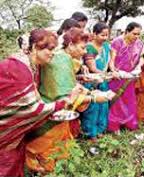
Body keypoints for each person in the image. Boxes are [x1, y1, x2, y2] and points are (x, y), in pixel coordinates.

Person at [25, 28, 109, 173]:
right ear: (70, 45)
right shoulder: (60, 60)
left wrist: (82, 83)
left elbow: (67, 84)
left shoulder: (63, 58)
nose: (84, 52)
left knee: (58, 148)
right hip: (50, 113)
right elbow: (63, 96)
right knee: (49, 152)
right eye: (82, 48)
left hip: (51, 109)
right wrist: (94, 97)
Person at [0, 29, 70, 177]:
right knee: (6, 163)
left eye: (54, 50)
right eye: (48, 49)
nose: (52, 53)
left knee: (15, 157)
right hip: (4, 129)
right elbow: (30, 110)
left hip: (12, 137)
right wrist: (58, 105)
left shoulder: (31, 65)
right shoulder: (19, 69)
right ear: (33, 48)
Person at [108, 22, 144, 133]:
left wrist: (138, 67)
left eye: (138, 34)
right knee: (117, 102)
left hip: (130, 77)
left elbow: (142, 58)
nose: (136, 37)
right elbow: (111, 60)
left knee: (129, 101)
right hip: (118, 77)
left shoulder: (139, 44)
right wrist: (114, 71)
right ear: (127, 31)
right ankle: (115, 125)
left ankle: (129, 123)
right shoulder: (117, 42)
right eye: (134, 34)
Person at [81, 22, 113, 141]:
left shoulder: (106, 46)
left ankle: (100, 129)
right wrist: (104, 74)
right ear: (94, 34)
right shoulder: (89, 47)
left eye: (106, 35)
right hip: (92, 81)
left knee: (103, 106)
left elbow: (109, 61)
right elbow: (92, 67)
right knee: (92, 108)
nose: (105, 38)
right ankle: (90, 133)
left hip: (103, 80)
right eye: (102, 35)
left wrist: (112, 71)